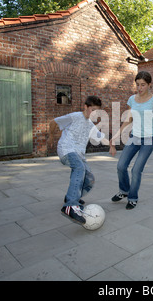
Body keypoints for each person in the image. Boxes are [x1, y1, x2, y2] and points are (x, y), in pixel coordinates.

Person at [48, 96, 116, 225]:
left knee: (89, 179)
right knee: (79, 168)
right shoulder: (74, 116)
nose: (95, 114)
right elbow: (53, 122)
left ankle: (71, 196)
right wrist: (51, 137)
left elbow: (101, 137)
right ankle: (70, 206)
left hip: (79, 155)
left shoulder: (90, 125)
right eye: (93, 110)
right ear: (86, 107)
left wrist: (111, 145)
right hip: (66, 149)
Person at [110, 71, 153, 209]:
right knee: (121, 166)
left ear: (149, 85)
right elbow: (128, 119)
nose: (139, 88)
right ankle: (124, 191)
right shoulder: (131, 99)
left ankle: (133, 197)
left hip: (149, 139)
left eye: (142, 85)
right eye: (137, 85)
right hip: (134, 137)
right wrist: (117, 135)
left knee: (136, 170)